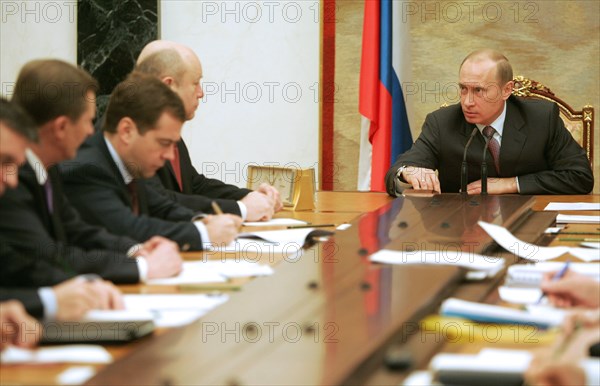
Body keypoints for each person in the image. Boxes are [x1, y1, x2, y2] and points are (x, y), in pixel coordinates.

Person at [0, 59, 183, 285]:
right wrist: (143, 268)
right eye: (89, 121)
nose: (91, 131)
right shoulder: (11, 178)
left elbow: (77, 231)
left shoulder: (47, 167)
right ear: (61, 127)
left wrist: (135, 249)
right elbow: (48, 256)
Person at [59, 72, 241, 250]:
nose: (170, 155)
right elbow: (129, 228)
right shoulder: (86, 168)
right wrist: (203, 234)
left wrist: (204, 220)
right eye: (164, 143)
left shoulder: (131, 161)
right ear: (127, 131)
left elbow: (162, 207)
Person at [385, 49, 593, 196]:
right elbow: (396, 172)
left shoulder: (541, 118)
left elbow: (580, 177)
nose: (467, 101)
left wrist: (511, 184)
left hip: (530, 221)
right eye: (463, 88)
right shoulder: (442, 122)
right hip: (462, 230)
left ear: (506, 90)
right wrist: (408, 172)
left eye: (479, 91)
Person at [0, 98, 123, 328]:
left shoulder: (49, 170)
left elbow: (14, 264)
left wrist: (84, 288)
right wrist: (49, 301)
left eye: (15, 165)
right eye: (3, 161)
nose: (11, 180)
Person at [134, 40, 283, 221]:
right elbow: (159, 201)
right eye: (195, 83)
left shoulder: (164, 127)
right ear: (168, 86)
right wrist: (241, 209)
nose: (201, 93)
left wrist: (248, 197)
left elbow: (194, 185)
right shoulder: (131, 135)